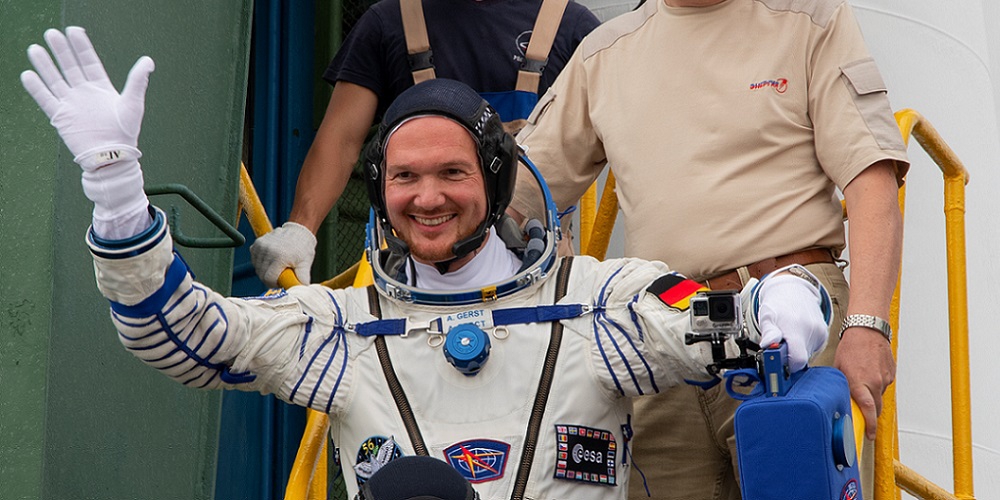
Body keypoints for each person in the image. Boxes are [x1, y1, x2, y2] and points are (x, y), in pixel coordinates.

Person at [23, 28, 834, 500]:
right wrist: (117, 195)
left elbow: (700, 315)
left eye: (453, 174)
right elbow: (183, 337)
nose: (428, 198)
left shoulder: (598, 303)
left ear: (494, 180)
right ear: (379, 193)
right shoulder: (337, 328)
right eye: (404, 178)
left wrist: (785, 297)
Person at [508, 0, 909, 498]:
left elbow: (871, 178)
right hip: (663, 332)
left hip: (791, 321)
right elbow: (511, 198)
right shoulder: (603, 54)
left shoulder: (810, 17)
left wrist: (868, 326)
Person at [248, 0, 601, 288]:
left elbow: (617, 142)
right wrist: (300, 230)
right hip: (411, 269)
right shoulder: (389, 23)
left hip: (540, 267)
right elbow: (340, 141)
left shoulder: (572, 27)